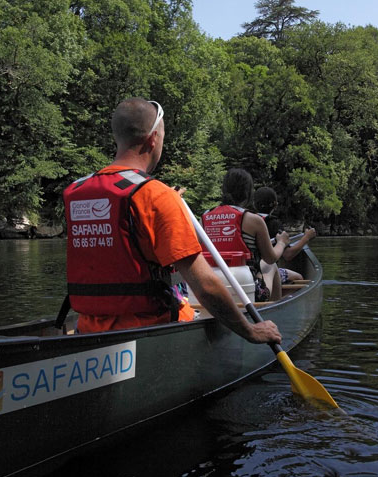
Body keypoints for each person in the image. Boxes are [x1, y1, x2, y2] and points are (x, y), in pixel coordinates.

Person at [62, 97, 280, 345]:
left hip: (87, 328)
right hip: (151, 332)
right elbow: (205, 286)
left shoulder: (76, 191)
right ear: (153, 139)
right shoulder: (157, 195)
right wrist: (251, 331)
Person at [201, 169, 290, 301]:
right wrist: (282, 243)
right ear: (248, 193)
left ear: (223, 190)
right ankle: (273, 311)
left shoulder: (204, 218)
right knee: (271, 266)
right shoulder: (254, 220)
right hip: (247, 291)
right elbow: (270, 258)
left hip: (212, 288)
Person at [253, 186, 317, 284]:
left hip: (251, 271)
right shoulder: (274, 223)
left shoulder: (248, 221)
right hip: (266, 271)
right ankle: (281, 299)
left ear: (254, 204)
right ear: (275, 204)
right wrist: (306, 238)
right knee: (299, 278)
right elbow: (288, 255)